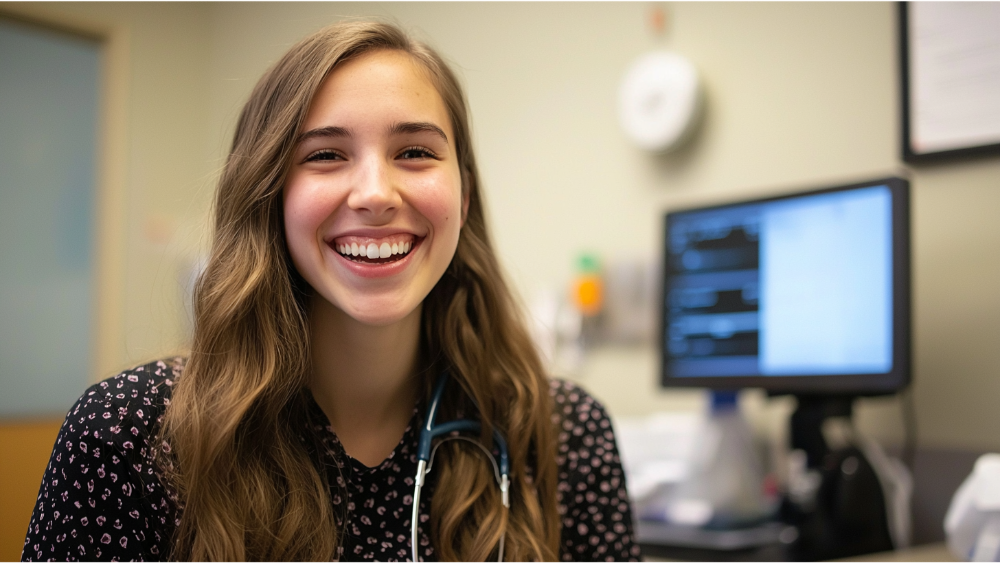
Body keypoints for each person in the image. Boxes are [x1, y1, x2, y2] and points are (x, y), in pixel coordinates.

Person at [22, 21, 640, 563]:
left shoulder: (564, 436)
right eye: (325, 155)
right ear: (268, 193)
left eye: (416, 151)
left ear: (464, 195)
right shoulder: (127, 437)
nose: (375, 192)